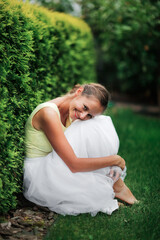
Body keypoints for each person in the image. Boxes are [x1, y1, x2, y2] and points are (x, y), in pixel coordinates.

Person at [23, 83, 138, 216]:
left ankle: (115, 184)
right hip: (40, 176)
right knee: (90, 125)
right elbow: (74, 164)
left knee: (98, 122)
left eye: (89, 114)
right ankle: (117, 186)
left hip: (57, 164)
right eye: (84, 107)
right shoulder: (48, 113)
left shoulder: (74, 114)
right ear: (78, 92)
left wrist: (112, 161)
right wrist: (115, 160)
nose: (83, 115)